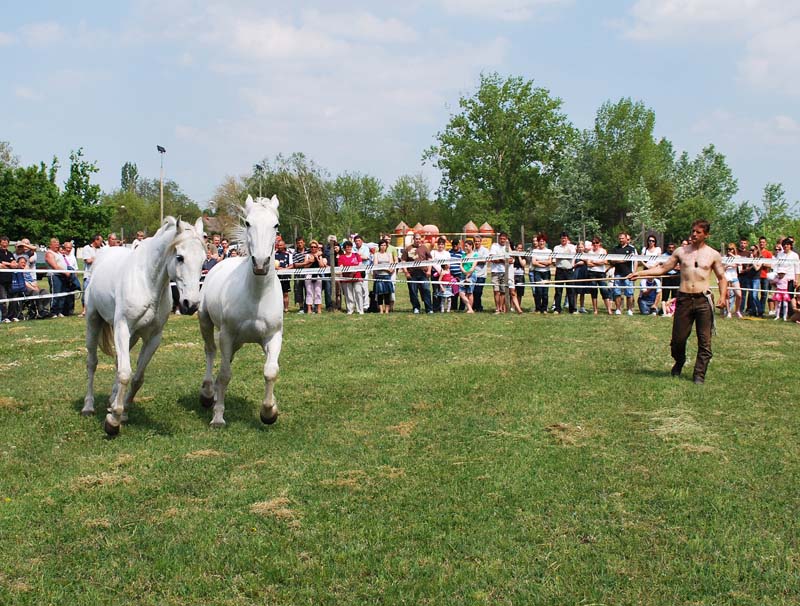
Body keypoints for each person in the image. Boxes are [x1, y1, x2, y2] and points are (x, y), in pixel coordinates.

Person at [629, 219, 728, 385]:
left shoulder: (713, 254)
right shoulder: (681, 252)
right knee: (678, 340)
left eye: (698, 232)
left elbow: (722, 278)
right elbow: (663, 268)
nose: (694, 234)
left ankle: (699, 375)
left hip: (703, 300)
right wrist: (640, 274)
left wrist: (723, 297)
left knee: (705, 341)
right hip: (684, 299)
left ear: (706, 235)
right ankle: (679, 360)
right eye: (693, 231)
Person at [402, 233, 433, 314]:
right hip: (412, 274)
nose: (418, 240)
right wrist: (406, 272)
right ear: (413, 239)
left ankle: (429, 309)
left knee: (426, 290)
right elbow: (403, 261)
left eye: (419, 239)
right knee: (413, 291)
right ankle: (416, 307)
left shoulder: (424, 248)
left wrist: (429, 270)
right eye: (416, 239)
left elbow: (430, 259)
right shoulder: (408, 248)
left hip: (423, 273)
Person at [611, 231, 637, 315]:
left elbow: (629, 259)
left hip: (628, 274)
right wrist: (621, 260)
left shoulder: (631, 249)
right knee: (617, 292)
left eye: (622, 238)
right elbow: (612, 261)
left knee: (629, 292)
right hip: (617, 273)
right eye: (619, 238)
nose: (621, 240)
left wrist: (618, 260)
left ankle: (629, 310)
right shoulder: (615, 249)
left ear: (626, 239)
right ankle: (618, 309)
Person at [586, 236, 613, 315]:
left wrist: (594, 262)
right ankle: (595, 310)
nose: (595, 244)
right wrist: (599, 263)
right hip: (592, 273)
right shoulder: (590, 252)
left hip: (601, 273)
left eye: (597, 243)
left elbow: (605, 262)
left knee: (604, 290)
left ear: (599, 243)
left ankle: (609, 310)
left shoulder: (603, 251)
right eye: (593, 243)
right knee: (594, 291)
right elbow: (588, 263)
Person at [338, 240, 365, 314]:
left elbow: (360, 265)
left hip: (357, 277)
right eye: (347, 247)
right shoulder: (341, 257)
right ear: (344, 248)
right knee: (348, 294)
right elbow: (341, 267)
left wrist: (353, 273)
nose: (349, 248)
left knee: (358, 293)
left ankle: (360, 310)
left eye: (350, 247)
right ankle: (350, 310)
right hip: (346, 278)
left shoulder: (356, 255)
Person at [552, 232, 576, 314]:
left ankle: (572, 309)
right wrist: (566, 253)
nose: (563, 239)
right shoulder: (556, 248)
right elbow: (556, 257)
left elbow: (571, 256)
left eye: (565, 238)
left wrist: (562, 255)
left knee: (571, 290)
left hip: (569, 271)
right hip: (560, 271)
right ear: (560, 239)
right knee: (558, 291)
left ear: (567, 239)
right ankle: (557, 309)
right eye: (562, 238)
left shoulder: (572, 247)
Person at [44, 237, 68, 317]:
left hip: (62, 275)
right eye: (55, 243)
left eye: (58, 243)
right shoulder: (49, 253)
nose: (57, 245)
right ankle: (53, 312)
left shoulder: (59, 253)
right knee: (56, 293)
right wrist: (66, 272)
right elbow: (55, 266)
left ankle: (59, 311)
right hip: (54, 275)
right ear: (50, 245)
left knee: (62, 293)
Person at [489, 232, 511, 313]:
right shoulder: (494, 246)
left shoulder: (508, 247)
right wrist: (503, 260)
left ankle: (501, 308)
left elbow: (511, 260)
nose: (502, 240)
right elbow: (493, 259)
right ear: (499, 238)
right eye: (501, 238)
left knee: (503, 291)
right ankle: (497, 308)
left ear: (506, 239)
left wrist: (500, 259)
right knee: (496, 291)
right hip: (495, 271)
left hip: (505, 272)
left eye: (504, 239)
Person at [304, 240, 327, 314]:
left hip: (318, 275)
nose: (313, 248)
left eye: (315, 247)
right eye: (311, 247)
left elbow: (322, 266)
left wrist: (317, 258)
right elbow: (305, 266)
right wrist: (311, 260)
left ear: (317, 248)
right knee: (309, 292)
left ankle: (319, 309)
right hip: (309, 274)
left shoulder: (320, 255)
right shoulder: (307, 255)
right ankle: (309, 309)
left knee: (318, 292)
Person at [530, 234, 552, 313]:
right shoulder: (535, 251)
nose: (541, 243)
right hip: (537, 272)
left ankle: (544, 308)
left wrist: (539, 261)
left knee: (545, 292)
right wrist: (543, 264)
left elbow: (549, 262)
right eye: (540, 241)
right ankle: (538, 308)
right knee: (538, 291)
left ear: (545, 242)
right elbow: (533, 262)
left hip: (546, 273)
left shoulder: (549, 251)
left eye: (543, 241)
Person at [0, 235, 19, 322]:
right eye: (3, 243)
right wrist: (10, 265)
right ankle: (4, 317)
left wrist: (10, 264)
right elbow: (1, 265)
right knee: (3, 299)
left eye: (6, 243)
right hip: (1, 281)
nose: (4, 244)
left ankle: (12, 316)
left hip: (11, 280)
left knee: (13, 298)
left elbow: (15, 264)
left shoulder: (10, 253)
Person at [373, 239, 395, 314]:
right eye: (381, 245)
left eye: (384, 245)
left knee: (387, 294)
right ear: (379, 246)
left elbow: (391, 266)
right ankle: (381, 310)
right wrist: (386, 268)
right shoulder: (376, 254)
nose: (383, 246)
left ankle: (387, 310)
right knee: (380, 294)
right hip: (379, 276)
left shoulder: (389, 254)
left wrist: (389, 269)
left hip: (387, 276)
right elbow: (376, 265)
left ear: (386, 246)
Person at [722, 243, 742, 319]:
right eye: (728, 249)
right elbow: (722, 268)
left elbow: (740, 263)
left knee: (739, 295)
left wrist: (733, 256)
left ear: (734, 249)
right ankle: (728, 312)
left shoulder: (737, 257)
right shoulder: (724, 257)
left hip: (734, 278)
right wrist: (727, 266)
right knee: (727, 295)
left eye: (731, 249)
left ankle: (737, 311)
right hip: (726, 277)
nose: (729, 251)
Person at [292, 237, 311, 312]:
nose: (300, 244)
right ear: (296, 244)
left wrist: (302, 263)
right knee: (298, 290)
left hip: (308, 273)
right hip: (298, 274)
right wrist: (306, 262)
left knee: (308, 290)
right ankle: (301, 307)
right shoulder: (295, 253)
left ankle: (308, 306)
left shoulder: (309, 251)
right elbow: (295, 264)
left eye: (301, 242)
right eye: (298, 243)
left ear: (304, 243)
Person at [472, 237, 489, 312]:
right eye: (475, 241)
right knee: (472, 292)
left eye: (478, 241)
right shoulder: (472, 250)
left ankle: (479, 307)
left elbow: (484, 261)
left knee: (478, 292)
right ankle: (474, 307)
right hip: (473, 274)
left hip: (481, 275)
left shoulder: (485, 250)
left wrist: (474, 261)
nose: (477, 243)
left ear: (481, 242)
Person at [757, 236, 773, 314]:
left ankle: (761, 310)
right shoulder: (756, 252)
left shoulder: (768, 253)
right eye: (760, 242)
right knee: (754, 294)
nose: (762, 244)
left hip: (765, 276)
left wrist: (762, 263)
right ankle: (752, 309)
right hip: (756, 276)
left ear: (766, 243)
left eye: (763, 242)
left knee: (764, 294)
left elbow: (770, 265)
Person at [274, 238, 291, 312]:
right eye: (278, 245)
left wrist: (285, 269)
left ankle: (286, 308)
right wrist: (276, 267)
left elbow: (292, 265)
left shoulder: (288, 254)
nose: (279, 247)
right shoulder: (274, 254)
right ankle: (276, 309)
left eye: (281, 245)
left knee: (285, 293)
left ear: (284, 245)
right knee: (276, 293)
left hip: (285, 276)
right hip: (275, 277)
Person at [573, 240, 589, 314]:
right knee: (575, 291)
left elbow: (588, 262)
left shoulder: (586, 255)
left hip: (584, 273)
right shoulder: (575, 255)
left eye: (581, 247)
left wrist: (583, 260)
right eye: (579, 247)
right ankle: (575, 307)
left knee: (582, 291)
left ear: (584, 248)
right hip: (576, 273)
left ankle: (582, 307)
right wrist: (577, 264)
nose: (580, 248)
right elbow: (573, 264)